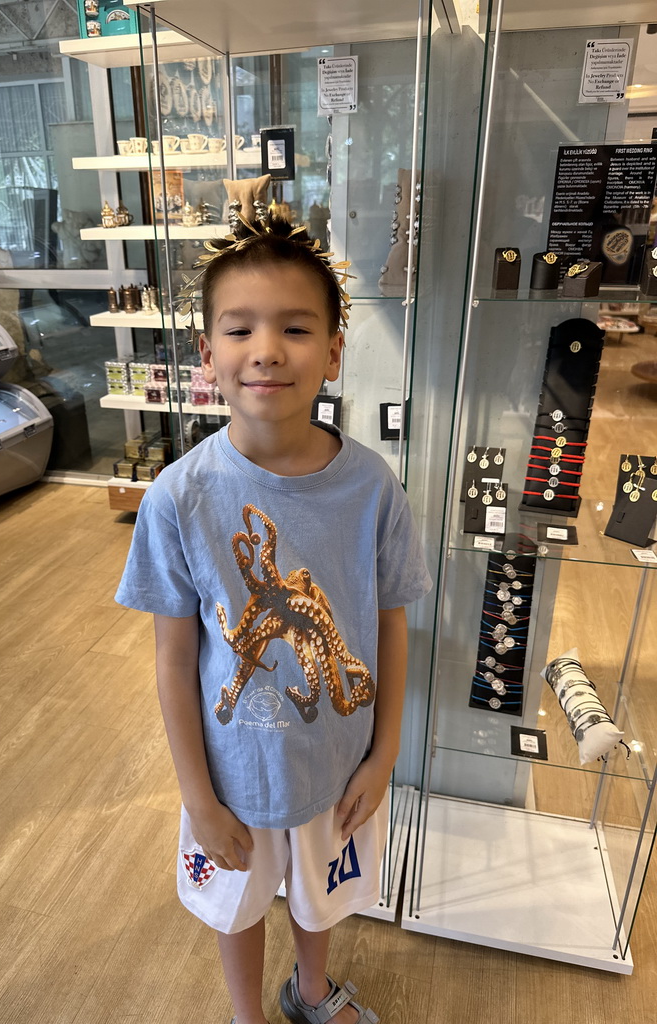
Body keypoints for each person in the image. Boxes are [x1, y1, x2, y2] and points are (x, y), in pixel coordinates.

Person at [115, 216, 431, 1024]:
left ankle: (312, 992)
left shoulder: (374, 490)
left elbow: (391, 623)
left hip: (339, 754)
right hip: (235, 771)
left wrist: (383, 752)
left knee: (322, 895)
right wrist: (198, 792)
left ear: (331, 351)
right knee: (240, 901)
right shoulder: (179, 498)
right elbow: (173, 655)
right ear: (206, 352)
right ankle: (246, 1015)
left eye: (295, 328)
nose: (267, 349)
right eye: (241, 328)